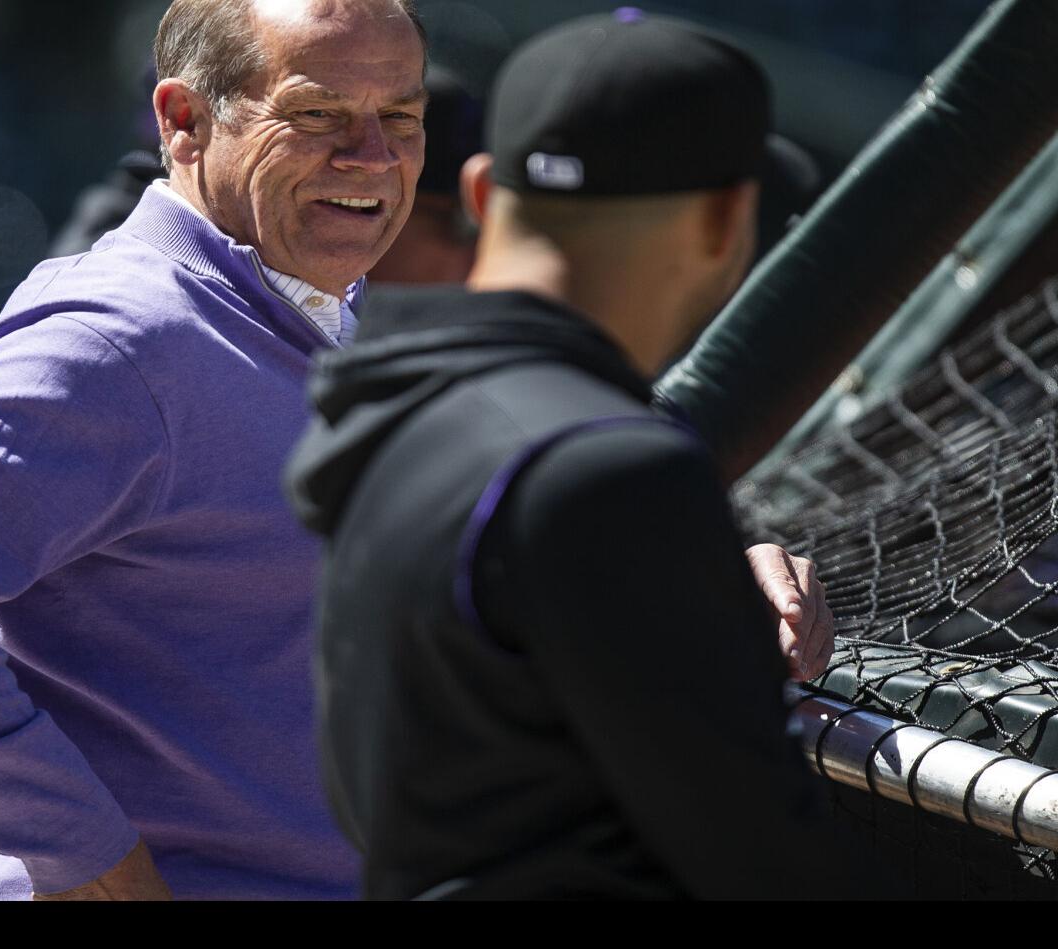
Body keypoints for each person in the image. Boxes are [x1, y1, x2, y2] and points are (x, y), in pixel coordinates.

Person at [0, 0, 828, 901]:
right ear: (185, 121)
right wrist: (84, 855)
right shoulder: (125, 336)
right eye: (318, 117)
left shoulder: (313, 308)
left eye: (399, 120)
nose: (370, 159)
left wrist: (674, 583)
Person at [284, 10, 877, 899]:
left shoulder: (395, 408)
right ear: (725, 220)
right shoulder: (610, 466)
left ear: (483, 195)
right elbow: (763, 858)